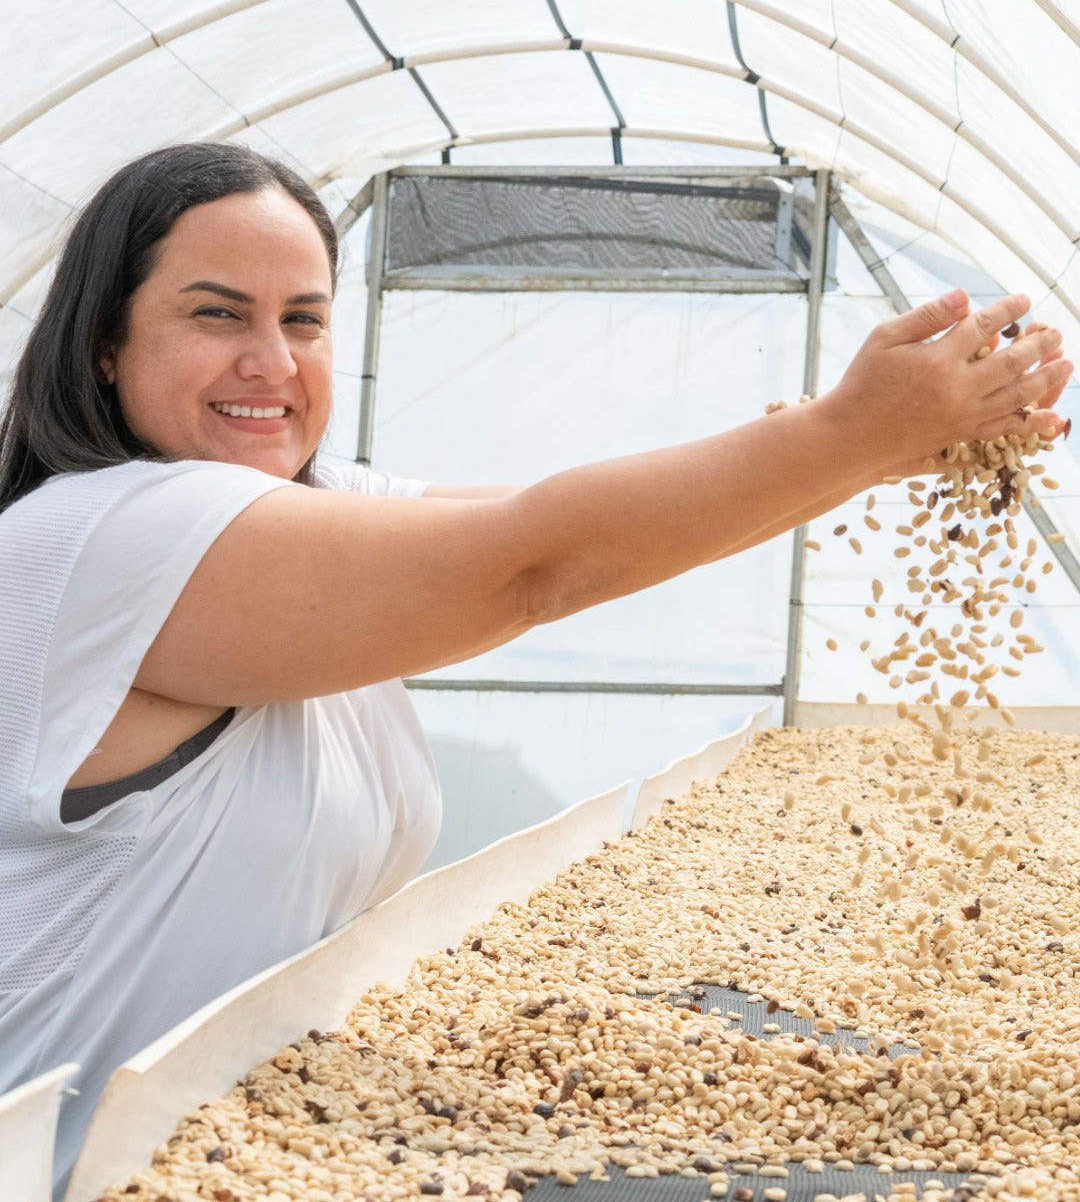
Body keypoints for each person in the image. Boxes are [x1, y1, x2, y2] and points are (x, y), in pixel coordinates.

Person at [0, 143, 1069, 1198]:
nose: (273, 363)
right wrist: (846, 434)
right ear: (104, 343)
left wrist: (883, 447)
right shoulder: (107, 536)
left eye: (305, 319)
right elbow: (532, 565)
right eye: (217, 314)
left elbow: (561, 521)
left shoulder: (312, 505)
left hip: (230, 1146)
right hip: (72, 1169)